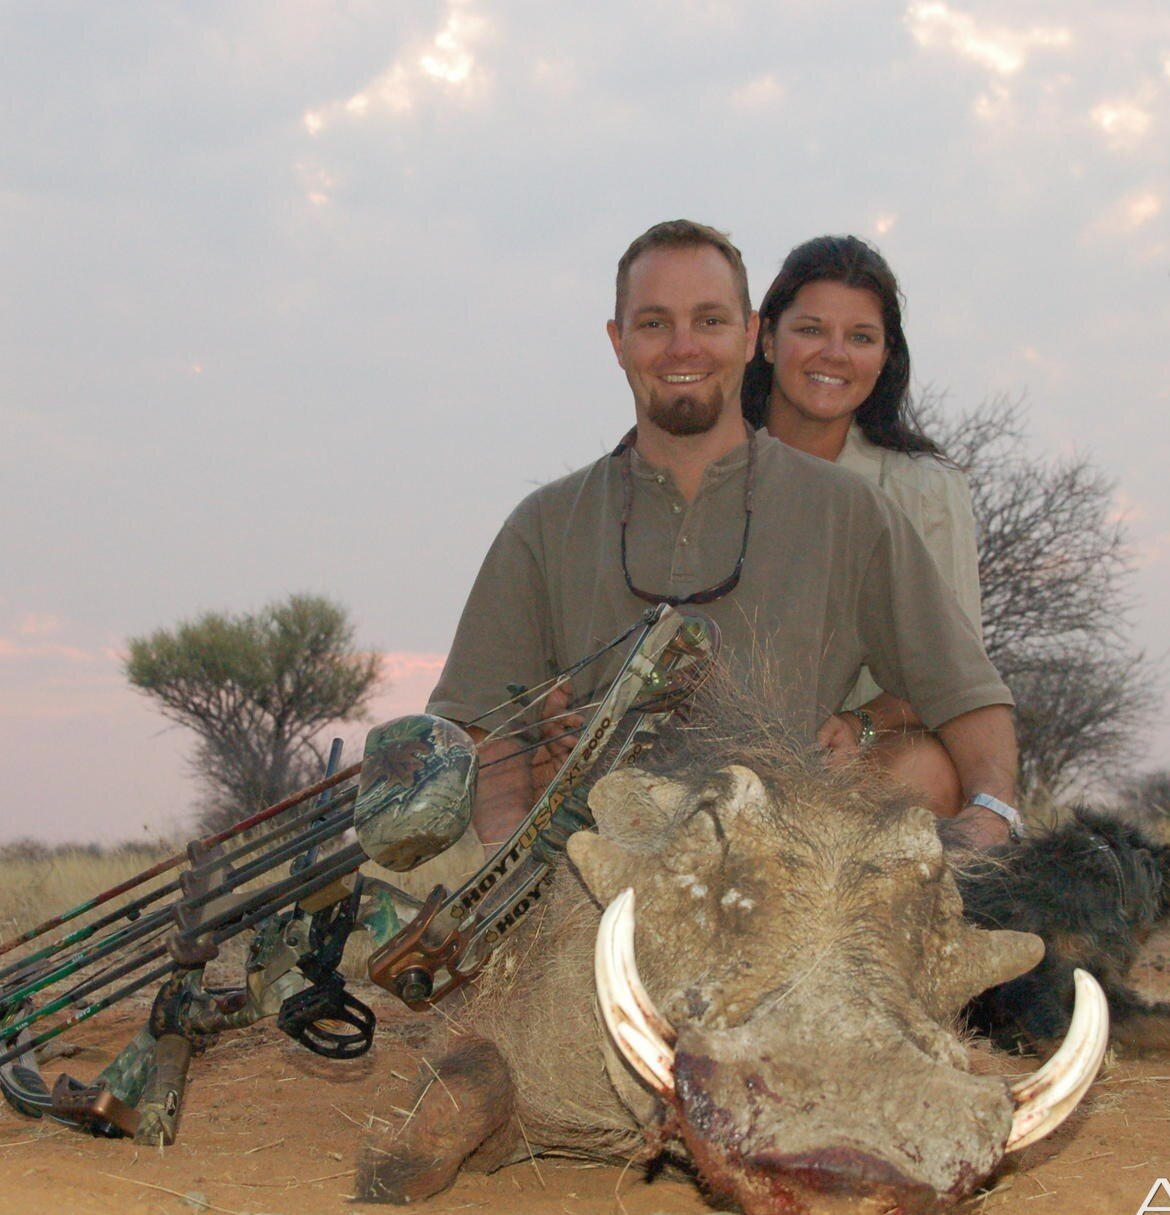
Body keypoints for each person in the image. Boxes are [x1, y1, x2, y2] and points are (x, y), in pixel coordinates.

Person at [425, 219, 1020, 847]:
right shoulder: (544, 524)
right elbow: (478, 723)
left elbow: (966, 692)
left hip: (794, 878)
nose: (684, 348)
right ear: (617, 341)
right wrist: (507, 852)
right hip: (594, 879)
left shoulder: (850, 511)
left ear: (749, 334)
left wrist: (992, 813)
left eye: (710, 321)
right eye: (654, 323)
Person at [742, 234, 983, 816]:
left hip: (849, 764)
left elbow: (956, 673)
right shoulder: (708, 472)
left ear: (884, 357)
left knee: (922, 770)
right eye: (810, 330)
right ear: (766, 339)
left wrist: (860, 726)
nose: (835, 354)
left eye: (861, 337)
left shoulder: (925, 487)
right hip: (718, 753)